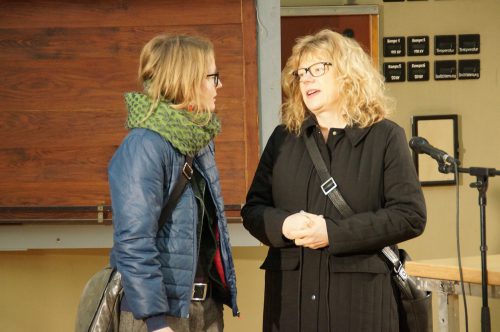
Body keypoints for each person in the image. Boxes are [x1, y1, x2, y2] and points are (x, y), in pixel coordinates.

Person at [241, 29, 426, 332]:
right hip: (290, 306)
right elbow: (253, 210)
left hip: (361, 305)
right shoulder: (283, 139)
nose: (307, 80)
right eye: (301, 74)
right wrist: (283, 225)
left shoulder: (385, 136)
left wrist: (333, 233)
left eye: (318, 69)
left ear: (347, 73)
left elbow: (410, 215)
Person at [108, 34, 239, 332]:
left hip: (203, 309)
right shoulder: (145, 145)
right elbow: (133, 241)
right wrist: (155, 322)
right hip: (158, 316)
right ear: (187, 79)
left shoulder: (199, 141)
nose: (220, 85)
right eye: (213, 77)